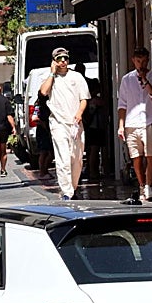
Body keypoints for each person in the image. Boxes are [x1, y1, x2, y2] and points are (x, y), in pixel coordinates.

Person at [39, 46, 90, 201]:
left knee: (76, 157)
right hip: (58, 123)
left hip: (75, 123)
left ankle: (72, 187)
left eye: (65, 58)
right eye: (59, 59)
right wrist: (51, 73)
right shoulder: (50, 78)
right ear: (54, 61)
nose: (63, 61)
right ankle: (67, 191)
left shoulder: (77, 77)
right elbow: (43, 92)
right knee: (63, 158)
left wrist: (79, 114)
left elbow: (84, 99)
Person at [117, 46, 152, 202]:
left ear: (148, 60)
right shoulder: (126, 80)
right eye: (138, 61)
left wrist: (145, 81)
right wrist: (121, 125)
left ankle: (149, 186)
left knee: (151, 156)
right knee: (136, 157)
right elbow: (122, 104)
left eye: (143, 61)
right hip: (132, 123)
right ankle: (142, 185)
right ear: (133, 61)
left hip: (150, 120)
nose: (141, 64)